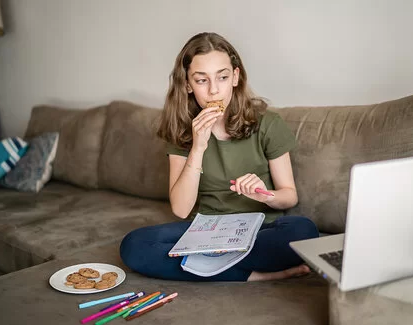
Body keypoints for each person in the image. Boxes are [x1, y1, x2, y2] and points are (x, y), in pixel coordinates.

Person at [120, 32, 319, 282]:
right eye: (202, 80)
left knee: (304, 231)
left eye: (222, 77)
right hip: (204, 232)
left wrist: (263, 195)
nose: (214, 91)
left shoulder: (268, 124)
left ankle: (205, 267)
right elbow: (181, 210)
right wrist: (198, 147)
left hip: (260, 229)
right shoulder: (182, 131)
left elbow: (289, 196)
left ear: (235, 77)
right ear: (187, 85)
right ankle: (251, 275)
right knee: (135, 245)